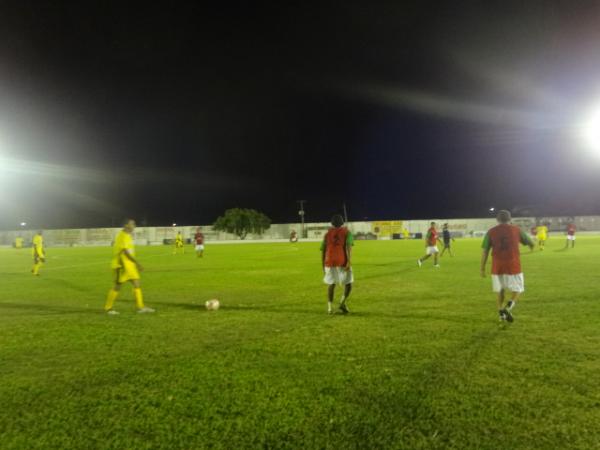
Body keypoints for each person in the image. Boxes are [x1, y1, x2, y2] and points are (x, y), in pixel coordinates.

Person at [480, 210, 534, 322]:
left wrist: (482, 268)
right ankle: (508, 308)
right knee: (518, 289)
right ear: (510, 219)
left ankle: (501, 314)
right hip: (513, 266)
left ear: (497, 219)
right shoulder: (516, 230)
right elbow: (530, 243)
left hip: (497, 267)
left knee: (500, 291)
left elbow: (485, 251)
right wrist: (531, 248)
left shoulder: (491, 232)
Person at [104, 219, 154, 315]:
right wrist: (137, 263)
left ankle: (140, 307)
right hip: (121, 265)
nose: (134, 226)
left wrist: (133, 264)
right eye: (132, 224)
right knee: (117, 287)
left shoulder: (128, 235)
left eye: (134, 224)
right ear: (126, 225)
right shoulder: (122, 236)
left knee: (137, 284)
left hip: (129, 266)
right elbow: (125, 252)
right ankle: (108, 308)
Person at [321, 214, 354, 315]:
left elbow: (323, 250)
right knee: (348, 283)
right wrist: (349, 261)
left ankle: (330, 308)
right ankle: (342, 303)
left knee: (331, 284)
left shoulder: (327, 234)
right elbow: (348, 247)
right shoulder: (347, 233)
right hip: (342, 261)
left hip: (329, 262)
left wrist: (323, 265)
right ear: (342, 222)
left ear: (332, 224)